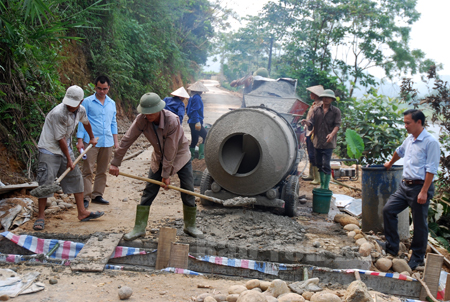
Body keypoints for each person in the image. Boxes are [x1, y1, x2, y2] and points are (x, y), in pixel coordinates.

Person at [109, 92, 204, 240]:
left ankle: (190, 225)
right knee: (149, 190)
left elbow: (171, 149)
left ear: (158, 109)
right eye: (145, 113)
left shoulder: (172, 120)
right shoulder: (142, 120)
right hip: (159, 155)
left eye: (150, 113)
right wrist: (115, 162)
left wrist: (166, 176)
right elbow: (127, 139)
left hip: (180, 155)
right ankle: (139, 227)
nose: (147, 116)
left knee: (188, 189)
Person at [34, 85, 104, 230]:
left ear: (81, 101)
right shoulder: (58, 113)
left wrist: (91, 138)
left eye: (74, 104)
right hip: (49, 149)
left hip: (65, 149)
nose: (71, 107)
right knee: (46, 182)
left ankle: (82, 212)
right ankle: (41, 216)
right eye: (69, 104)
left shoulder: (81, 110)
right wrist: (70, 160)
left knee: (76, 178)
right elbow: (60, 140)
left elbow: (86, 123)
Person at [380, 109, 440, 270]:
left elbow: (431, 169)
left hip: (420, 187)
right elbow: (399, 151)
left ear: (419, 122)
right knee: (388, 210)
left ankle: (418, 257)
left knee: (420, 223)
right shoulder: (410, 139)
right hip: (405, 185)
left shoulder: (430, 142)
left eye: (408, 123)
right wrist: (390, 163)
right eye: (404, 122)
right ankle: (392, 246)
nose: (405, 126)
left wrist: (424, 191)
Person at [76, 75, 119, 209]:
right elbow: (82, 122)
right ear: (95, 87)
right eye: (99, 88)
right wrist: (80, 140)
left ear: (109, 88)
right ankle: (85, 197)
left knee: (102, 170)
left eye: (105, 89)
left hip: (107, 141)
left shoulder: (111, 103)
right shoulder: (87, 102)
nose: (102, 91)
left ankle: (97, 195)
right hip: (91, 142)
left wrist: (116, 141)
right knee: (87, 169)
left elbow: (113, 122)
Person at [301, 89, 341, 190]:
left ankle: (325, 186)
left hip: (328, 142)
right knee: (318, 163)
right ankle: (321, 184)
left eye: (328, 97)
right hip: (317, 141)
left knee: (326, 164)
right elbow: (311, 124)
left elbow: (337, 125)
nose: (326, 99)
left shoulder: (336, 111)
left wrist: (331, 135)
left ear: (332, 99)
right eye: (324, 97)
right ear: (322, 98)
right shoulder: (316, 110)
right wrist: (306, 122)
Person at [302, 85, 324, 184]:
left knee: (315, 154)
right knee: (311, 153)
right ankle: (312, 175)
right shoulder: (314, 104)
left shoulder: (321, 106)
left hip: (315, 133)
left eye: (311, 93)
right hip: (309, 131)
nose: (310, 94)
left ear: (315, 94)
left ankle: (317, 178)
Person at [186, 81, 209, 160]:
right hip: (196, 123)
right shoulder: (197, 98)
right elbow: (195, 111)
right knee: (206, 136)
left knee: (195, 139)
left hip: (191, 122)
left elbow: (188, 110)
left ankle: (191, 157)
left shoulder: (191, 98)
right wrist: (197, 122)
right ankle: (201, 155)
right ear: (199, 91)